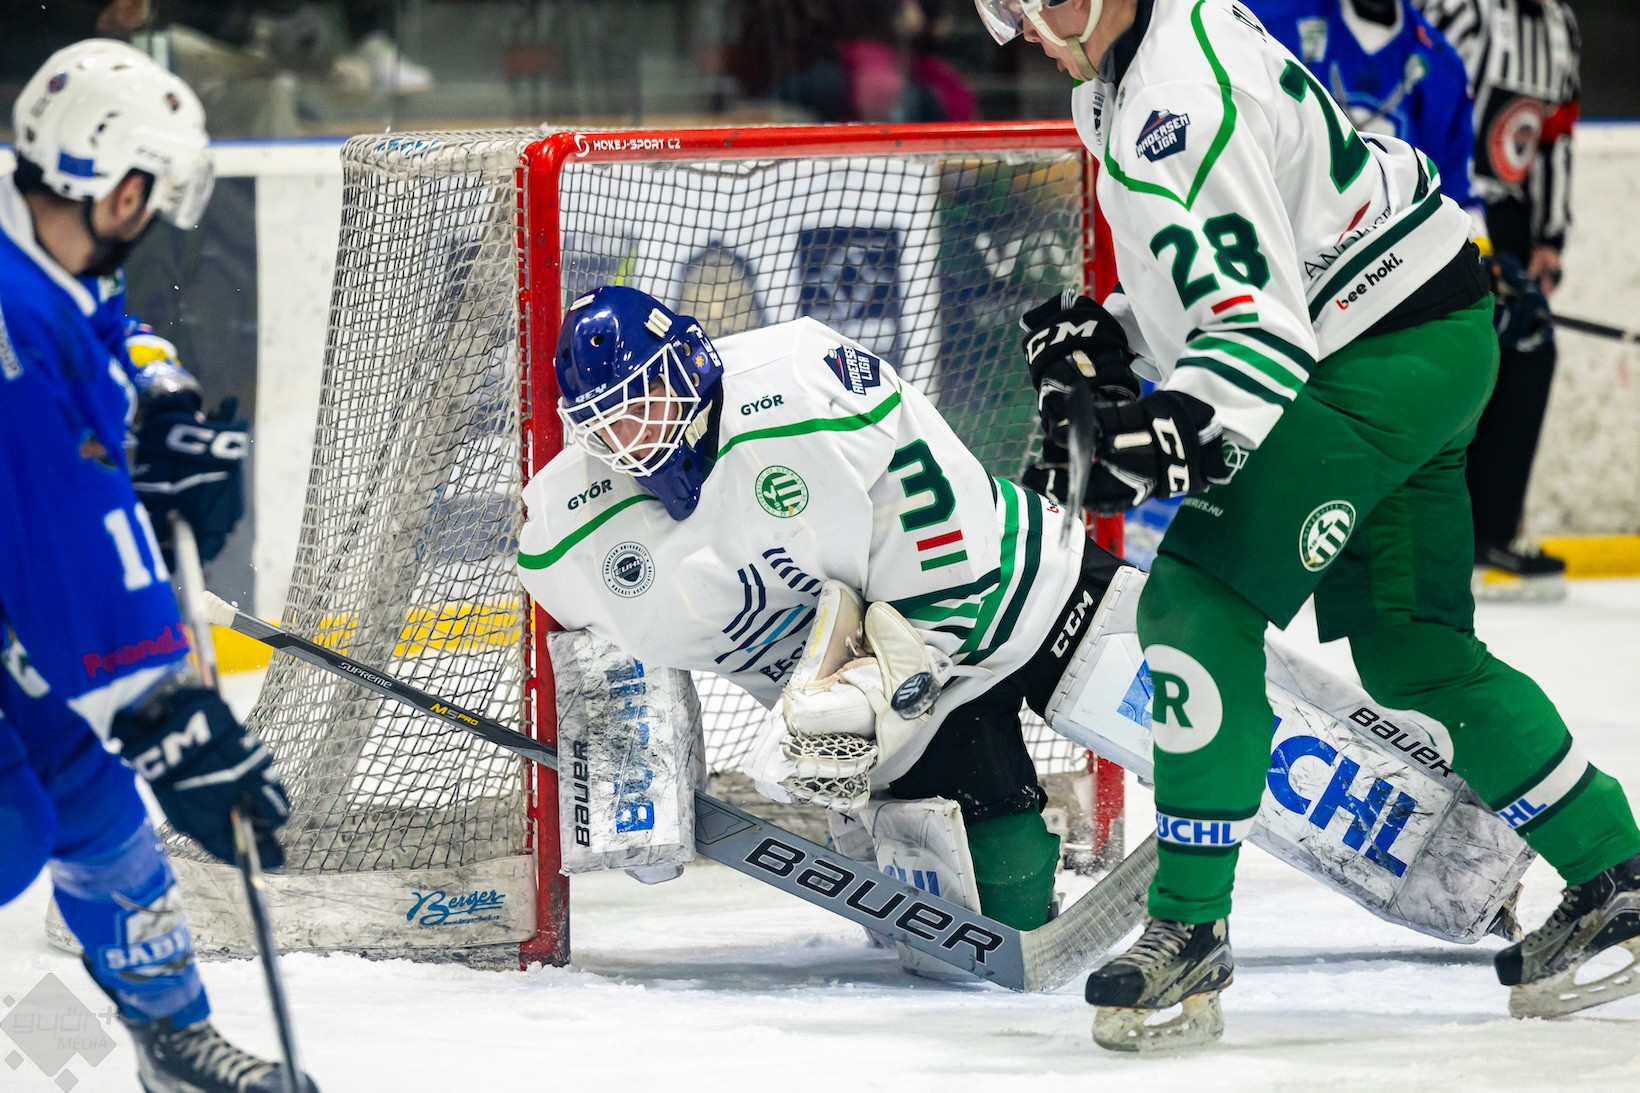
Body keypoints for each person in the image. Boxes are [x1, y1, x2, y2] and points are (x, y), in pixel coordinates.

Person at [975, 0, 1640, 1051]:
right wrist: (1119, 336)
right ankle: (1614, 866)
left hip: (1364, 355)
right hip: (1425, 324)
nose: (1033, 21)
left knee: (1195, 601)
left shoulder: (1166, 102)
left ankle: (1188, 924)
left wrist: (1161, 434)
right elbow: (1238, 261)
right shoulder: (1137, 63)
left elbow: (1254, 338)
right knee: (1414, 652)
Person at [0, 40, 316, 1093]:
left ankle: (171, 1040)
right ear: (115, 181)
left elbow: (108, 338)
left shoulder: (38, 249)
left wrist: (163, 401)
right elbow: (70, 540)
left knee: (88, 796)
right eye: (149, 195)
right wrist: (169, 717)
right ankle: (44, 1050)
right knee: (11, 830)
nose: (147, 221)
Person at [1412, 0, 1580, 599]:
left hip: (1506, 222)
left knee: (1529, 349)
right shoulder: (1462, 11)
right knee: (1450, 357)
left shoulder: (1560, 25)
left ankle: (1489, 531)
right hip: (1438, 203)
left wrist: (1549, 237)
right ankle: (1425, 534)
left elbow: (1555, 134)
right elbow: (1434, 108)